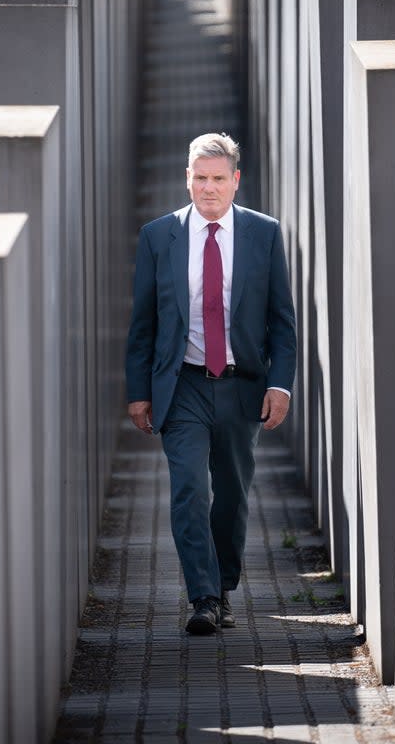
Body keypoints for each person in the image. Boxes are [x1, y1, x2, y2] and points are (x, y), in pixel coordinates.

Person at [125, 132, 296, 635]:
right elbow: (143, 323)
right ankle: (201, 597)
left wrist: (280, 385)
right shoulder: (160, 236)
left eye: (218, 179)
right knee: (189, 490)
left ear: (236, 181)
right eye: (199, 178)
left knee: (233, 495)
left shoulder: (263, 235)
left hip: (243, 387)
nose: (209, 189)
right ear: (187, 179)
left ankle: (222, 586)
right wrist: (139, 391)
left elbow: (281, 322)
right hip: (183, 387)